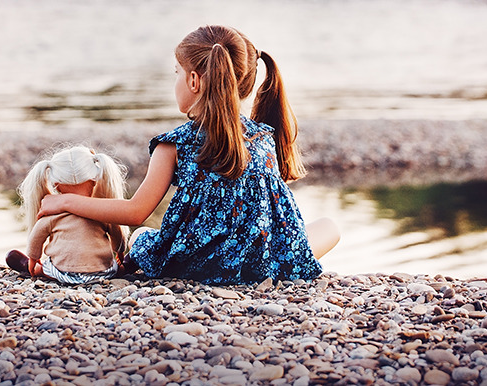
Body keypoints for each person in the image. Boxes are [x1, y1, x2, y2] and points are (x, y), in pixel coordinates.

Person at [37, 25, 340, 285]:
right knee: (330, 227)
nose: (176, 82)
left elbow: (135, 212)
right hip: (262, 265)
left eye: (177, 73)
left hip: (198, 266)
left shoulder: (175, 144)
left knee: (142, 236)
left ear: (194, 81)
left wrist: (66, 201)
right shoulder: (264, 138)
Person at [7, 145, 128, 284]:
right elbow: (118, 235)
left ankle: (38, 270)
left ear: (56, 184)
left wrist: (33, 260)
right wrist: (120, 254)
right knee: (118, 267)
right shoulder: (101, 211)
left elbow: (36, 237)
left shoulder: (52, 214)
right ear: (94, 181)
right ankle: (127, 267)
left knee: (44, 269)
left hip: (63, 272)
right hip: (103, 272)